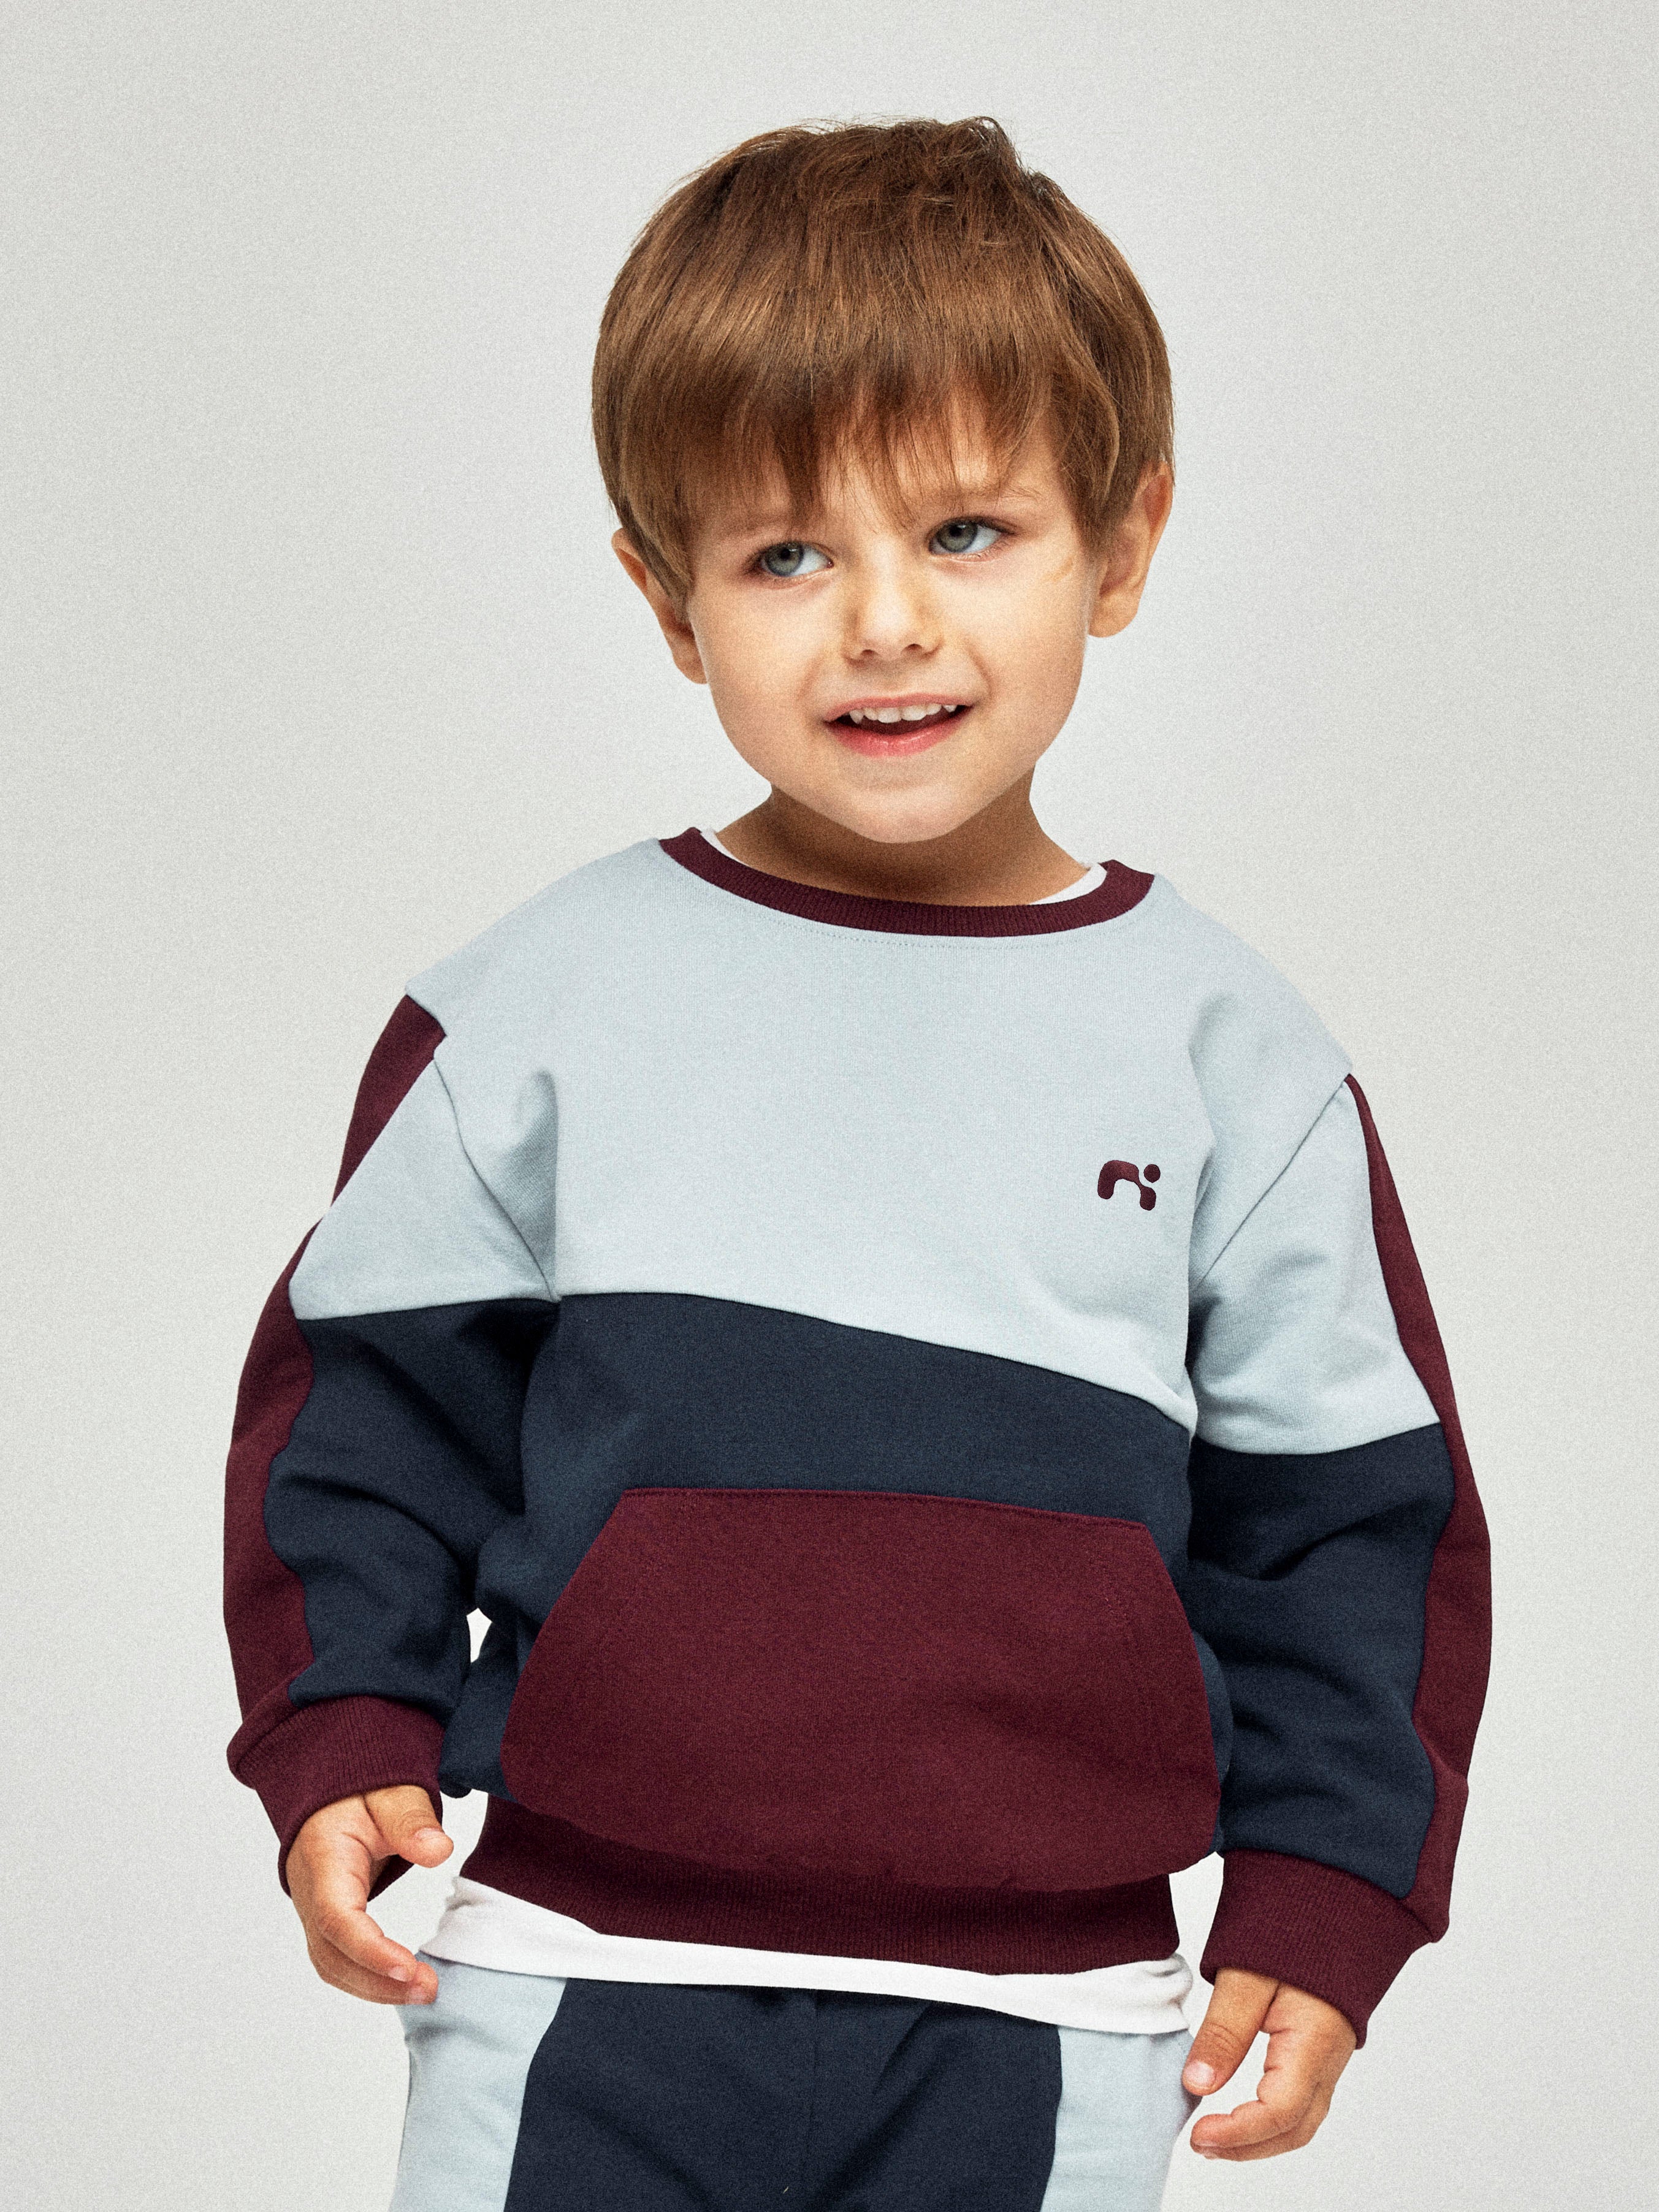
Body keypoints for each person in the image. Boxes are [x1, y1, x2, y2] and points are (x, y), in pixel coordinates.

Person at [224, 116, 1490, 2210]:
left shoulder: (1231, 1058)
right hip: (578, 1970)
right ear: (666, 599)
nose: (884, 625)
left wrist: (1329, 1885)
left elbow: (1351, 1522)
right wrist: (344, 1725)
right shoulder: (535, 1008)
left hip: (1052, 2011)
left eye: (967, 530)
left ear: (1124, 543)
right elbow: (362, 1421)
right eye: (785, 556)